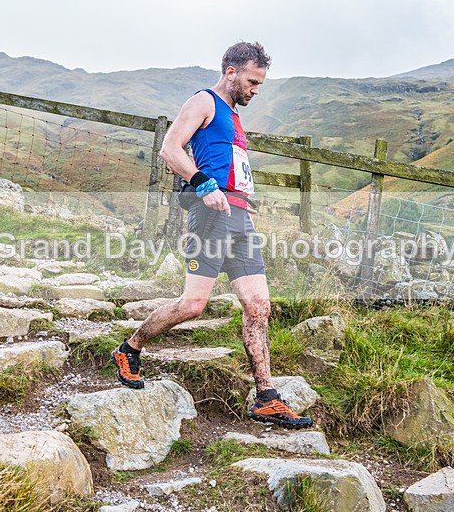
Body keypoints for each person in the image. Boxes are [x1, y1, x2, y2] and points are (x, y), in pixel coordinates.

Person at [110, 42, 312, 429]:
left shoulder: (234, 117)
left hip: (239, 218)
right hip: (209, 216)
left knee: (258, 307)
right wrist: (204, 184)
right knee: (192, 306)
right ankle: (130, 348)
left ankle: (266, 397)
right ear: (231, 72)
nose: (256, 89)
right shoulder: (203, 101)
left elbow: (229, 164)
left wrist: (241, 196)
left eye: (261, 83)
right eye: (252, 81)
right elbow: (170, 149)